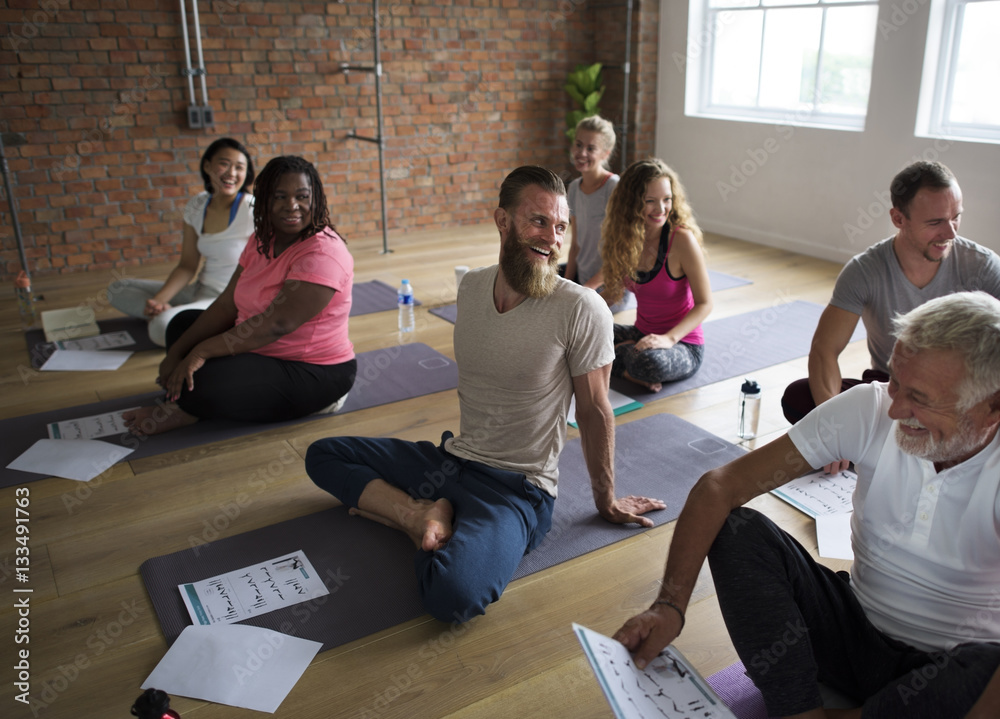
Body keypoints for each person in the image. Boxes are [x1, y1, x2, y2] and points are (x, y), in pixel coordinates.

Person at [613, 291, 1000, 719]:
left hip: (949, 670)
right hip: (851, 634)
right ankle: (799, 711)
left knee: (987, 671)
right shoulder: (870, 407)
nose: (896, 410)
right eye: (896, 383)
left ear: (992, 407)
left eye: (920, 398)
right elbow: (720, 487)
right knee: (738, 530)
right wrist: (669, 607)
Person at [305, 166, 665, 623]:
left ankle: (422, 517)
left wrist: (606, 501)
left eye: (560, 227)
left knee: (450, 597)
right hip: (450, 462)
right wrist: (412, 513)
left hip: (515, 490)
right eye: (538, 221)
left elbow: (595, 411)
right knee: (323, 455)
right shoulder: (472, 287)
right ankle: (420, 518)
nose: (552, 238)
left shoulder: (580, 308)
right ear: (502, 221)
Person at [122, 155, 356, 435]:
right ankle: (195, 397)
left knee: (209, 377)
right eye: (279, 196)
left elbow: (276, 325)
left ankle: (188, 408)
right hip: (257, 351)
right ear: (264, 201)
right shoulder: (261, 239)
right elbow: (225, 305)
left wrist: (199, 352)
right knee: (181, 326)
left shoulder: (322, 253)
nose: (292, 206)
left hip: (312, 371)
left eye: (302, 196)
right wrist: (176, 353)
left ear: (315, 198)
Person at [782, 161, 1000, 443]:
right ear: (899, 219)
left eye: (956, 217)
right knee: (799, 397)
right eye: (935, 223)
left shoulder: (982, 266)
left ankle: (894, 444)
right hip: (895, 389)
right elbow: (824, 350)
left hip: (961, 396)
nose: (950, 233)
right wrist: (831, 428)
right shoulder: (864, 270)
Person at [107, 138, 256, 346]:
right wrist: (159, 300)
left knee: (159, 328)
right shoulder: (196, 205)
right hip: (198, 291)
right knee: (118, 289)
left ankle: (182, 320)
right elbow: (187, 265)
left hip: (225, 300)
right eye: (224, 163)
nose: (231, 173)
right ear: (207, 166)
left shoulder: (251, 209)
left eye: (239, 167)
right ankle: (176, 317)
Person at [599, 158, 712, 393]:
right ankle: (629, 355)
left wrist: (669, 339)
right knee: (585, 333)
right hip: (642, 334)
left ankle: (627, 359)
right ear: (631, 203)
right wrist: (581, 314)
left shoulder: (682, 240)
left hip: (682, 344)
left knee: (649, 362)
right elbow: (611, 293)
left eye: (667, 199)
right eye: (650, 201)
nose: (661, 209)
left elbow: (705, 303)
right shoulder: (627, 240)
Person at [563, 116, 625, 307]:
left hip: (608, 286)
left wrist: (587, 288)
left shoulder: (613, 187)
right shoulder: (574, 187)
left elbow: (621, 251)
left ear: (605, 154)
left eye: (591, 149)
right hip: (583, 278)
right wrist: (566, 285)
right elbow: (575, 246)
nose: (581, 153)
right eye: (579, 145)